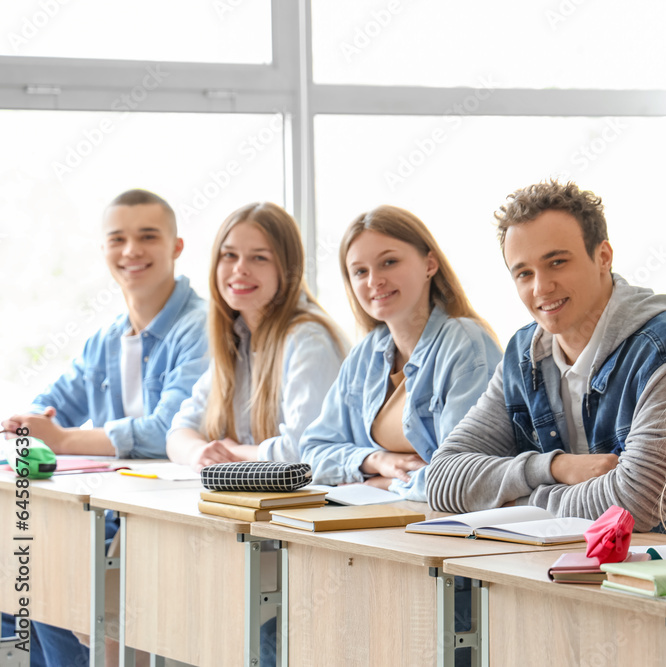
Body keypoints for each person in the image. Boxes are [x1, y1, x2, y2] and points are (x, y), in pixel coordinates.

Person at [1, 188, 208, 665]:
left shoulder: (201, 326)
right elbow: (54, 404)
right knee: (20, 574)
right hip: (109, 505)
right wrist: (26, 424)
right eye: (117, 239)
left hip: (167, 515)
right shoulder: (107, 337)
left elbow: (165, 431)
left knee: (36, 574)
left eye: (147, 237)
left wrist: (62, 439)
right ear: (103, 250)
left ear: (176, 247)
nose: (131, 251)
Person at [426, 180, 666, 532]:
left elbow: (638, 502)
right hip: (556, 565)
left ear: (603, 257)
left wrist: (516, 502)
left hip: (652, 571)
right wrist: (555, 468)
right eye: (524, 273)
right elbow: (442, 479)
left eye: (556, 263)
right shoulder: (526, 354)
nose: (540, 288)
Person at [297, 205, 501, 500]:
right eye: (360, 271)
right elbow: (312, 452)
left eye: (389, 262)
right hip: (378, 520)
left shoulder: (465, 343)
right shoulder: (365, 354)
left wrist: (381, 484)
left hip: (443, 525)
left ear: (430, 265)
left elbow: (465, 472)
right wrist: (375, 461)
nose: (373, 281)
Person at [167, 202, 347, 470]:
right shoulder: (239, 337)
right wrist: (199, 454)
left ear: (286, 269)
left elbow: (306, 450)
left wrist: (236, 452)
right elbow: (178, 431)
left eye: (259, 257)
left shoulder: (307, 339)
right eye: (229, 255)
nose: (240, 269)